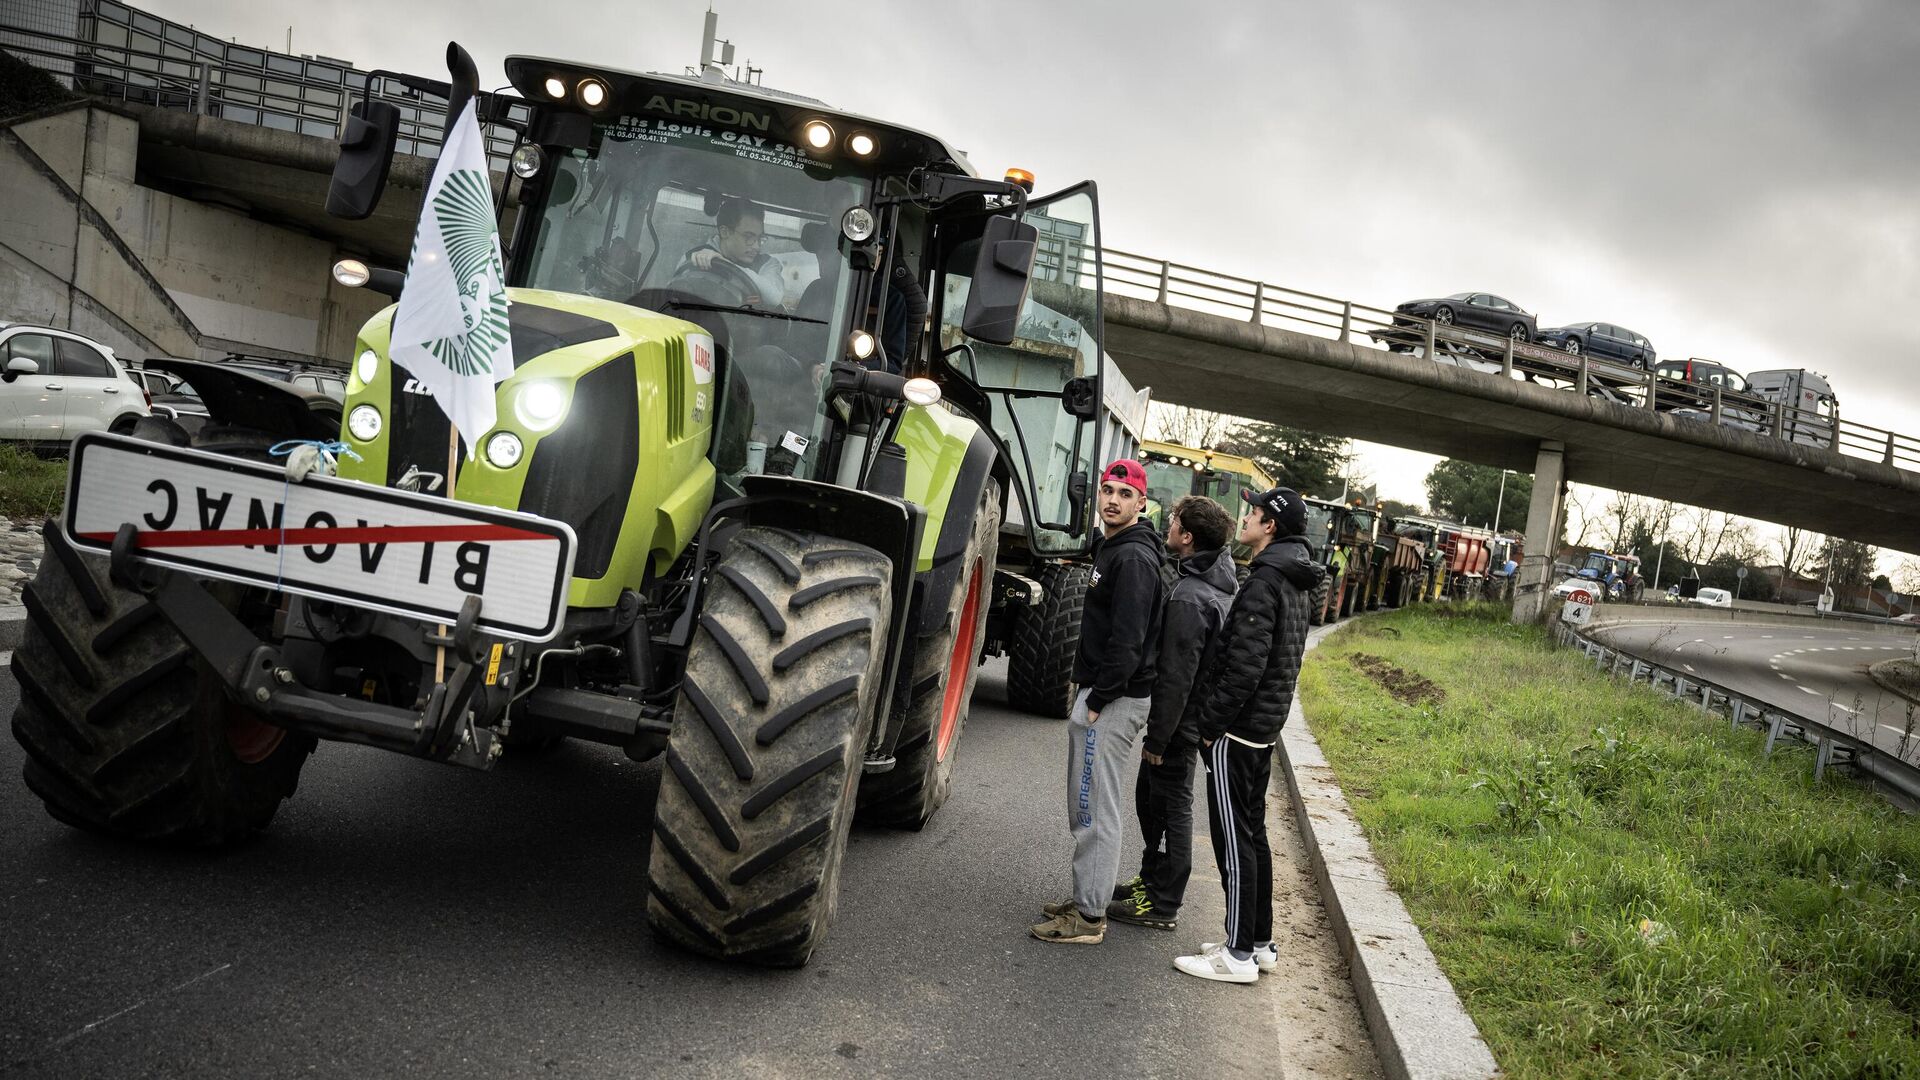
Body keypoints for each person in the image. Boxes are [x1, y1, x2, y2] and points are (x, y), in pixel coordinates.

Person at [1173, 486, 1322, 983]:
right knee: (1253, 837)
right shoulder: (1295, 577)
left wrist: (1210, 726)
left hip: (1239, 729)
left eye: (1254, 512)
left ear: (1270, 526)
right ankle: (1259, 943)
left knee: (1233, 840)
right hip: (1265, 725)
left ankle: (1235, 955)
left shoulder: (1264, 581)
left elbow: (1245, 666)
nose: (1246, 517)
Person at [1031, 459, 1166, 945]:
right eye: (1107, 490)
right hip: (1104, 695)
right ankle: (1089, 894)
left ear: (1141, 502)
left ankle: (1088, 919)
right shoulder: (1115, 548)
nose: (1112, 500)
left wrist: (1100, 698)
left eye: (1124, 494)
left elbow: (1128, 641)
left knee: (1094, 808)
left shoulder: (1133, 560)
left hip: (1113, 699)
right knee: (1086, 803)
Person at [1108, 495, 1238, 933]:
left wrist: (1159, 739)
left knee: (1171, 807)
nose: (1168, 525)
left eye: (1176, 521)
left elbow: (1178, 675)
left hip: (1181, 725)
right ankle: (1151, 881)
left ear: (1187, 536)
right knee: (1154, 801)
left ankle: (1164, 901)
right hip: (1190, 720)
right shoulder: (1214, 582)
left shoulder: (1190, 597)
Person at [675, 197, 784, 308]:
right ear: (725, 232)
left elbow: (774, 297)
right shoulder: (693, 257)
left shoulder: (768, 263)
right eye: (748, 237)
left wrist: (725, 263)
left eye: (760, 238)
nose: (756, 246)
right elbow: (676, 297)